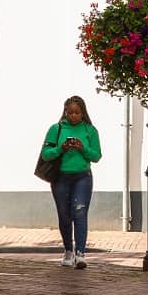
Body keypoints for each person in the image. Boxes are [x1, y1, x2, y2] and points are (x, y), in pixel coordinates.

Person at [39, 96, 101, 268]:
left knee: (79, 213)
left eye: (77, 113)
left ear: (83, 113)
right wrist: (61, 148)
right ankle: (68, 250)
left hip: (82, 177)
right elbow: (45, 154)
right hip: (61, 178)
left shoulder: (90, 130)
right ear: (65, 112)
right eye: (70, 112)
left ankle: (80, 253)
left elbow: (96, 156)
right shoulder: (56, 129)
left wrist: (83, 148)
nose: (73, 116)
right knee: (65, 216)